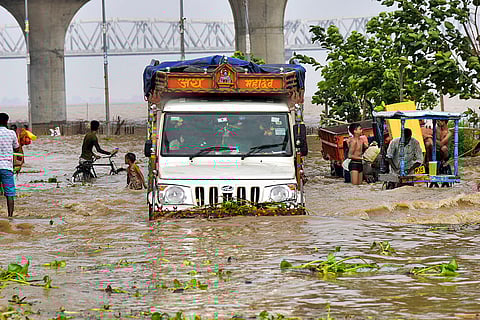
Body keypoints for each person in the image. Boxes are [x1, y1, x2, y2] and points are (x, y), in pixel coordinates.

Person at [0, 113, 21, 217]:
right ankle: (10, 217)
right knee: (10, 193)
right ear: (6, 122)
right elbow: (17, 148)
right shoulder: (11, 133)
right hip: (6, 167)